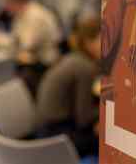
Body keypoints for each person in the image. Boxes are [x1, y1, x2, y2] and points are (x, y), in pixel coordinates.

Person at [36, 17, 100, 156]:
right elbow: (84, 119)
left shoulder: (73, 58)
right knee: (108, 137)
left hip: (44, 129)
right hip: (57, 137)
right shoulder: (86, 67)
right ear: (88, 42)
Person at [3, 0, 62, 92]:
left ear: (16, 1)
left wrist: (12, 43)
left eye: (8, 3)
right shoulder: (21, 14)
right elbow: (14, 40)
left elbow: (27, 45)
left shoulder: (35, 15)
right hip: (34, 59)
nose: (6, 8)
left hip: (45, 63)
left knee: (12, 77)